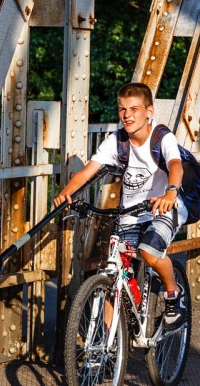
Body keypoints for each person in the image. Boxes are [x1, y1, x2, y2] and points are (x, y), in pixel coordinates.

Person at [53, 82, 187, 330]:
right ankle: (106, 342)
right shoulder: (116, 141)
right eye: (122, 109)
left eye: (134, 109)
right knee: (114, 271)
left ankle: (173, 293)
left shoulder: (162, 137)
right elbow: (87, 172)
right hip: (130, 214)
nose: (127, 115)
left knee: (149, 252)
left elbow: (176, 165)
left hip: (162, 209)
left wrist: (170, 192)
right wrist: (65, 194)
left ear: (149, 111)